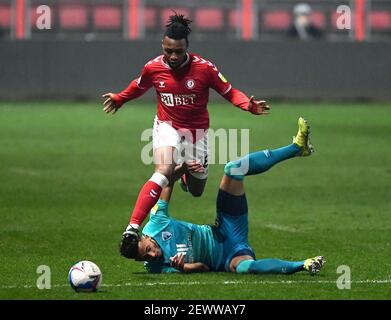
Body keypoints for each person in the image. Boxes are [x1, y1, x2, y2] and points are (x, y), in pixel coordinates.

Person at [102, 12, 270, 251]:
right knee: (162, 171)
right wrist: (120, 98)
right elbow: (138, 86)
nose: (172, 56)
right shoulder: (153, 67)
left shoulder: (205, 69)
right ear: (163, 45)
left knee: (196, 190)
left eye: (178, 52)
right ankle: (132, 228)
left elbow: (230, 91)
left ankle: (184, 173)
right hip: (166, 126)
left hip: (196, 134)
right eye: (168, 50)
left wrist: (248, 105)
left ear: (186, 48)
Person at [121, 117, 326, 276]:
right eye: (145, 258)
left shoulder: (155, 223)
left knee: (233, 169)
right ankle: (304, 264)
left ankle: (297, 148)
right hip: (226, 258)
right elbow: (204, 267)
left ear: (144, 237)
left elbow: (166, 183)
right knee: (246, 268)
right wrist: (184, 268)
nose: (153, 255)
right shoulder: (156, 267)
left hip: (224, 229)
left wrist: (182, 168)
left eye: (148, 249)